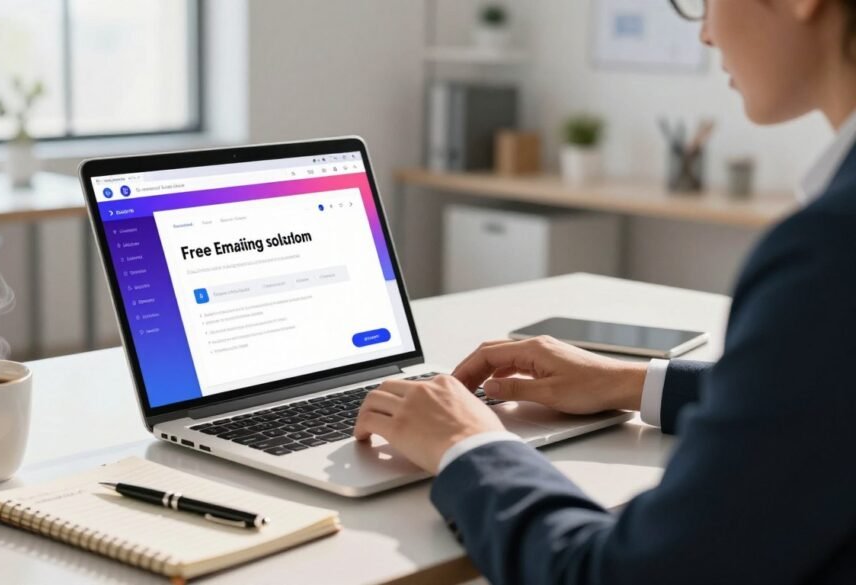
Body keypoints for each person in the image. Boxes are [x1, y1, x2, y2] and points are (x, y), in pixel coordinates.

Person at [353, 1, 856, 583]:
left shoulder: (829, 248)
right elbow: (822, 394)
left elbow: (618, 576)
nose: (708, 33)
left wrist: (469, 445)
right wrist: (628, 381)